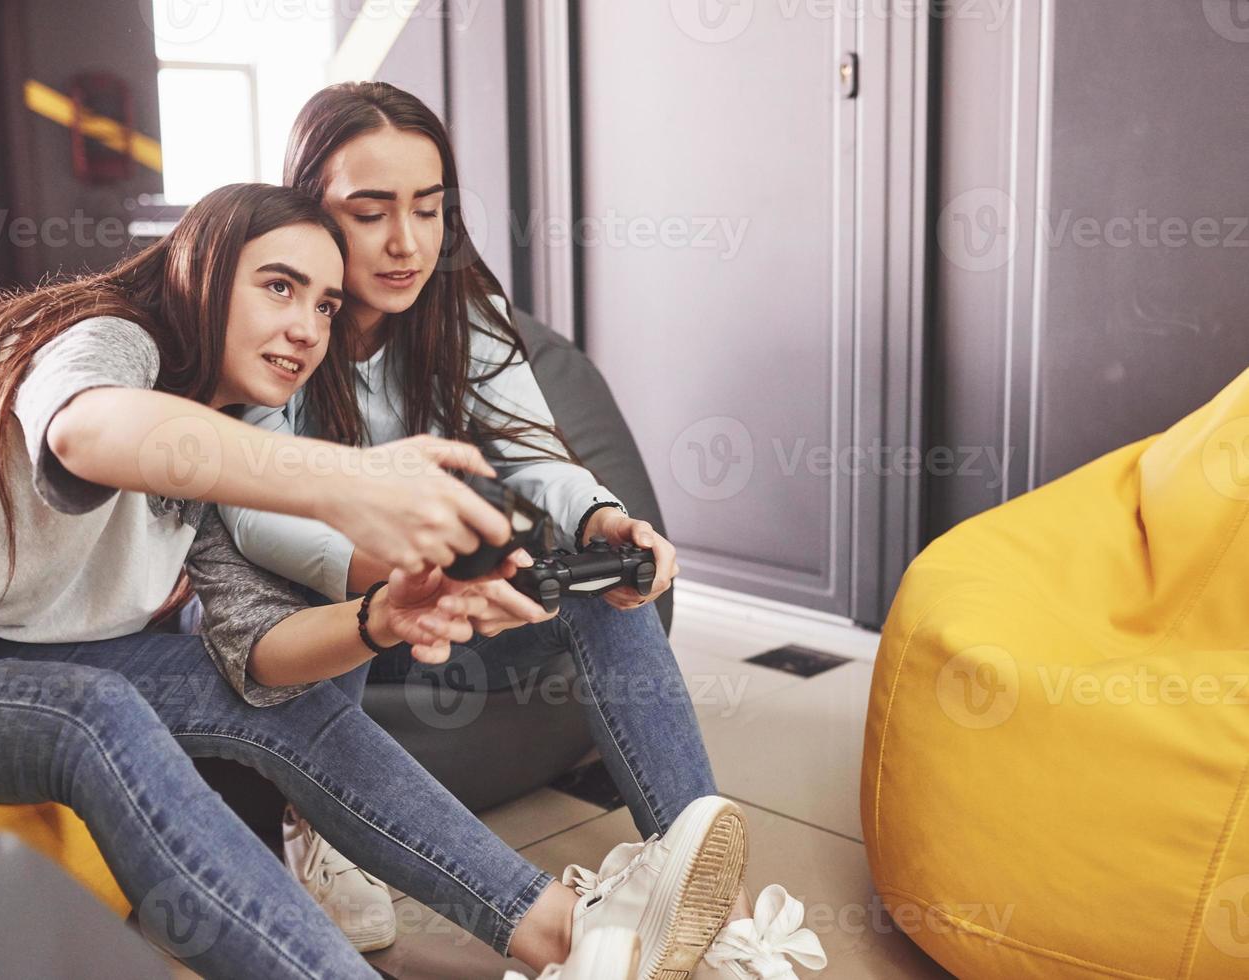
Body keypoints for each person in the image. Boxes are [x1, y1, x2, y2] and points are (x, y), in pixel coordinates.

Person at [0, 183, 774, 979]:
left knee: (294, 709)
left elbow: (258, 658)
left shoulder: (217, 448)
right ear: (202, 273)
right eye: (279, 286)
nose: (306, 325)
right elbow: (93, 428)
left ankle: (563, 937)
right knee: (95, 713)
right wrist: (350, 482)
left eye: (325, 302)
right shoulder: (106, 337)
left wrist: (382, 617)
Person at [222, 83, 829, 980]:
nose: (406, 243)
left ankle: (703, 905)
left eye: (428, 209)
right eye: (370, 211)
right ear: (309, 210)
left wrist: (602, 519)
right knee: (303, 579)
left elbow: (532, 450)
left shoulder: (460, 306)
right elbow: (258, 511)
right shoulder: (269, 318)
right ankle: (324, 826)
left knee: (605, 589)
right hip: (345, 621)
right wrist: (398, 575)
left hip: (452, 604)